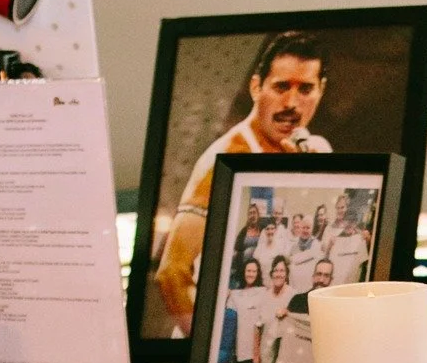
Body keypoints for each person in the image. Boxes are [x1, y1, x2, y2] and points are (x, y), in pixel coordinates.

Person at [156, 32, 333, 333]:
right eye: (280, 87)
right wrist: (204, 349)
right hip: (223, 339)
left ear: (321, 90)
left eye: (305, 89)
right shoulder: (224, 160)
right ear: (256, 87)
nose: (291, 102)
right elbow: (171, 274)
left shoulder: (316, 150)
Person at [272, 256, 334, 363]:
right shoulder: (297, 300)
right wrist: (284, 315)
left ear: (331, 279)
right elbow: (282, 335)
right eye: (319, 274)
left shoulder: (334, 308)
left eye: (326, 275)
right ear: (313, 277)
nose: (321, 279)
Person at [221, 256, 270, 363]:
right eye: (248, 271)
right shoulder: (235, 294)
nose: (251, 274)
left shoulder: (264, 292)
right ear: (243, 272)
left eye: (254, 271)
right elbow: (228, 321)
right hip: (241, 351)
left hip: (259, 349)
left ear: (258, 273)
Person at [323, 191, 372, 286]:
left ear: (347, 208)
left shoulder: (356, 230)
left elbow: (366, 257)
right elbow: (323, 257)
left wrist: (368, 240)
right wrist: (329, 246)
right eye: (338, 208)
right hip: (333, 279)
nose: (340, 210)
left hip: (351, 281)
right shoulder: (329, 229)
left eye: (343, 207)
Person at [287, 209, 325, 294]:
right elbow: (290, 263)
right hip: (295, 287)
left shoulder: (317, 245)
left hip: (310, 287)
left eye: (308, 228)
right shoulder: (293, 246)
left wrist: (294, 259)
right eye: (303, 227)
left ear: (312, 229)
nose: (305, 230)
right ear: (300, 228)